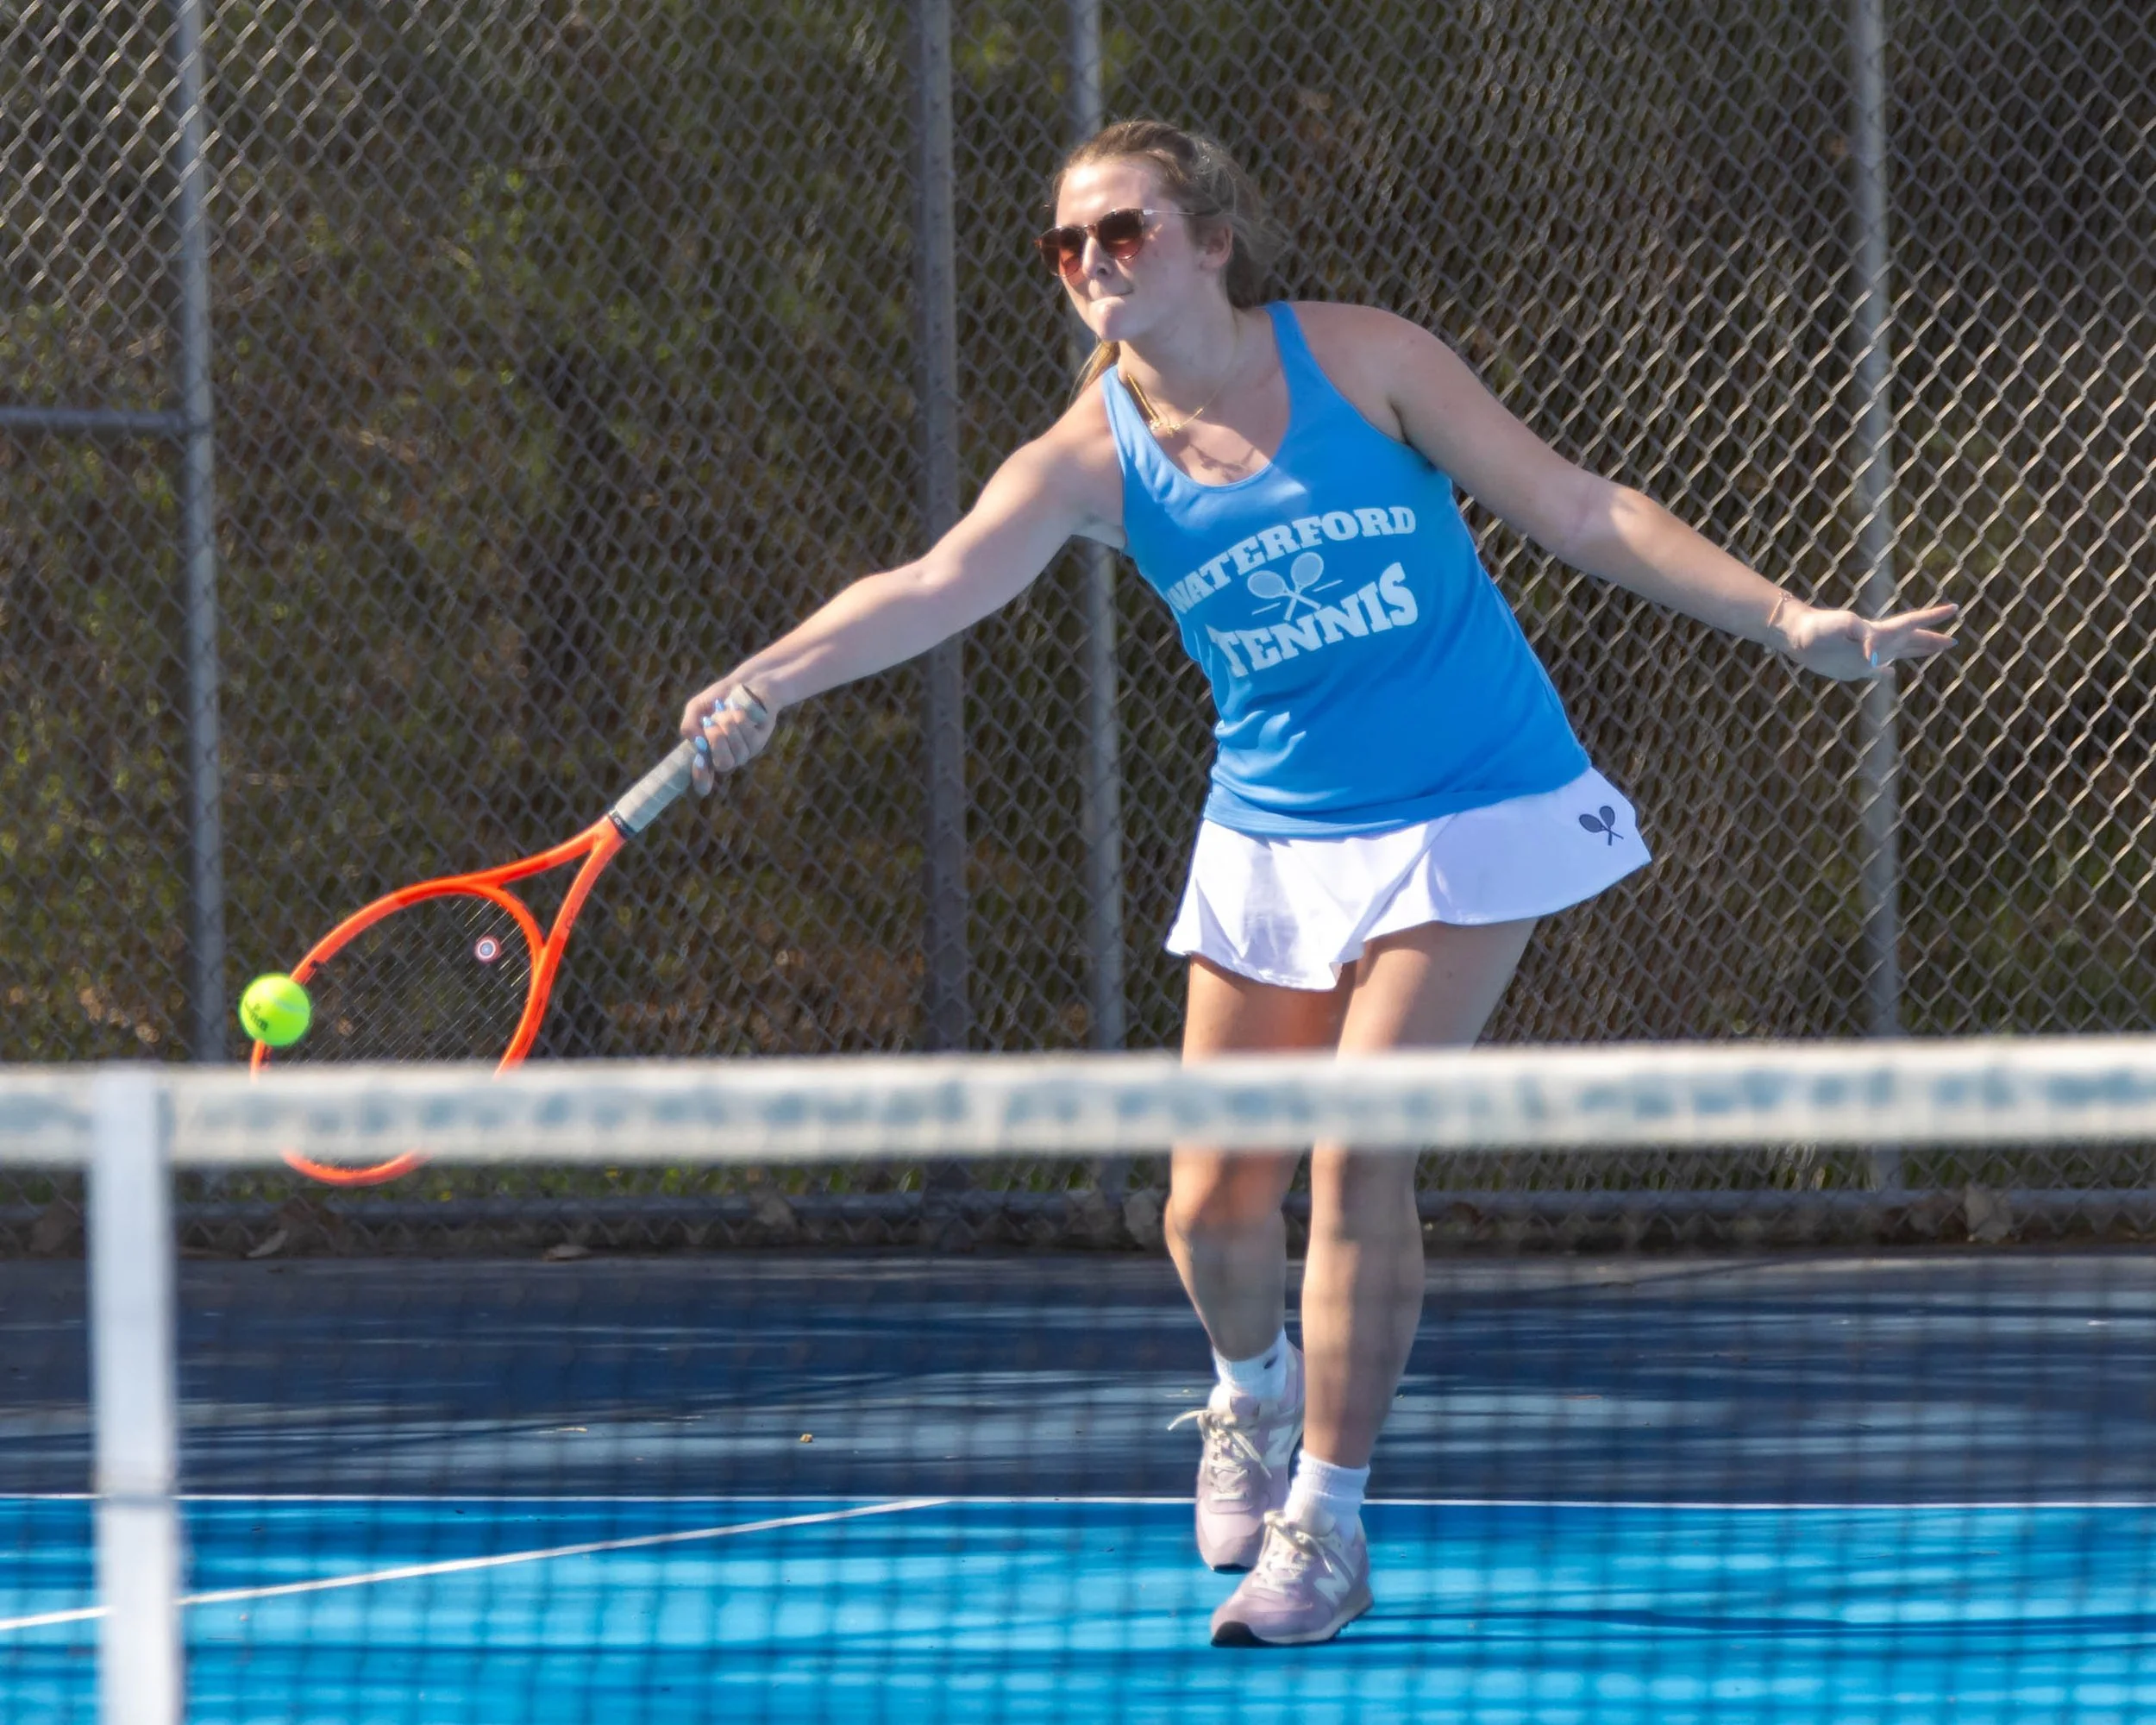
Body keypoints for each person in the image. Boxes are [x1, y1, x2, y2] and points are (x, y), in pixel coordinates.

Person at [679, 119, 1957, 1647]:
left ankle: (1329, 1524)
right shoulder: (1085, 459)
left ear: (1213, 243)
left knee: (1358, 1152)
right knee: (1210, 1208)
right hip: (1276, 835)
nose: (1092, 262)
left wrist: (1788, 622)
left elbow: (1574, 507)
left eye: (1125, 231)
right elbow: (936, 584)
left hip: (1476, 803)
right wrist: (768, 679)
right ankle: (1252, 1389)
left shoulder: (1364, 360)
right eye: (1068, 244)